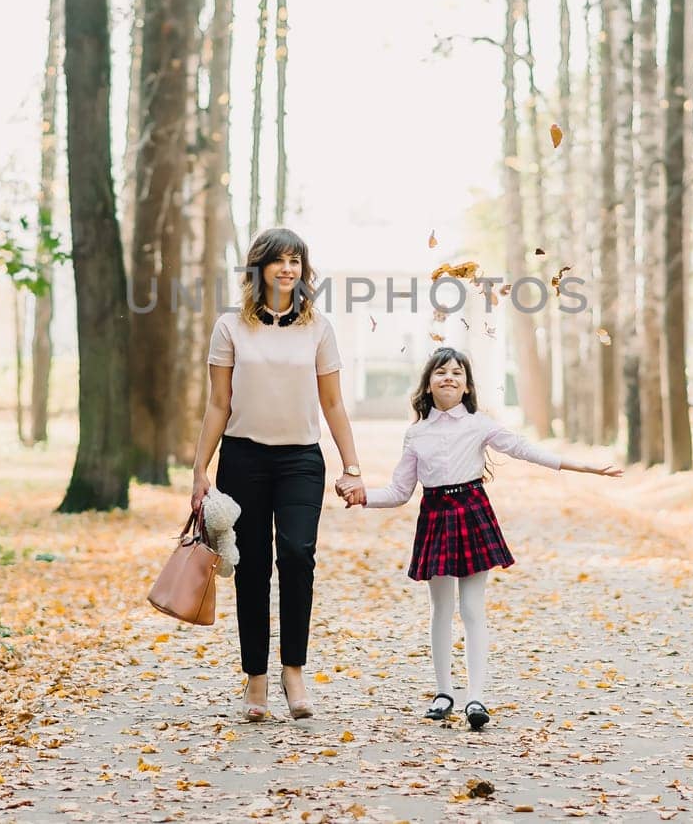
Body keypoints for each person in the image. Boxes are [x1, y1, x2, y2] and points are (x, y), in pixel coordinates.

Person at [338, 347, 621, 730]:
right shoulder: (416, 434)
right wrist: (363, 496)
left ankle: (476, 697)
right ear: (428, 384)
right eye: (441, 372)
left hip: (472, 513)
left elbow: (526, 450)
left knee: (473, 609)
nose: (449, 378)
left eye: (457, 372)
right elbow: (401, 491)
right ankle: (443, 693)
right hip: (436, 517)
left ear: (467, 384)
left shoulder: (478, 424)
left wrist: (583, 467)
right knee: (441, 609)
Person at [189, 228, 363, 722]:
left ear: (303, 271)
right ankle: (256, 679)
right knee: (251, 568)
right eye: (277, 260)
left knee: (297, 555)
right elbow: (218, 403)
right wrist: (199, 469)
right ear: (259, 268)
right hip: (243, 458)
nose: (287, 269)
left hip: (300, 462)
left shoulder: (317, 327)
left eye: (295, 261)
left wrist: (352, 467)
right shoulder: (230, 327)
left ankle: (294, 670)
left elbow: (333, 403)